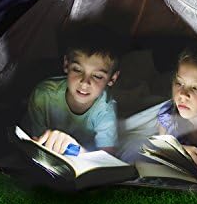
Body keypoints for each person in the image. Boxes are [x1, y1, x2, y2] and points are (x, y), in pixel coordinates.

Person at [20, 22, 124, 156]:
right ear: (66, 65)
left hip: (78, 158)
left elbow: (106, 158)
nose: (85, 83)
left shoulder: (105, 110)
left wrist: (75, 150)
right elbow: (36, 142)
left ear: (112, 79)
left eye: (97, 76)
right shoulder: (44, 95)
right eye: (77, 70)